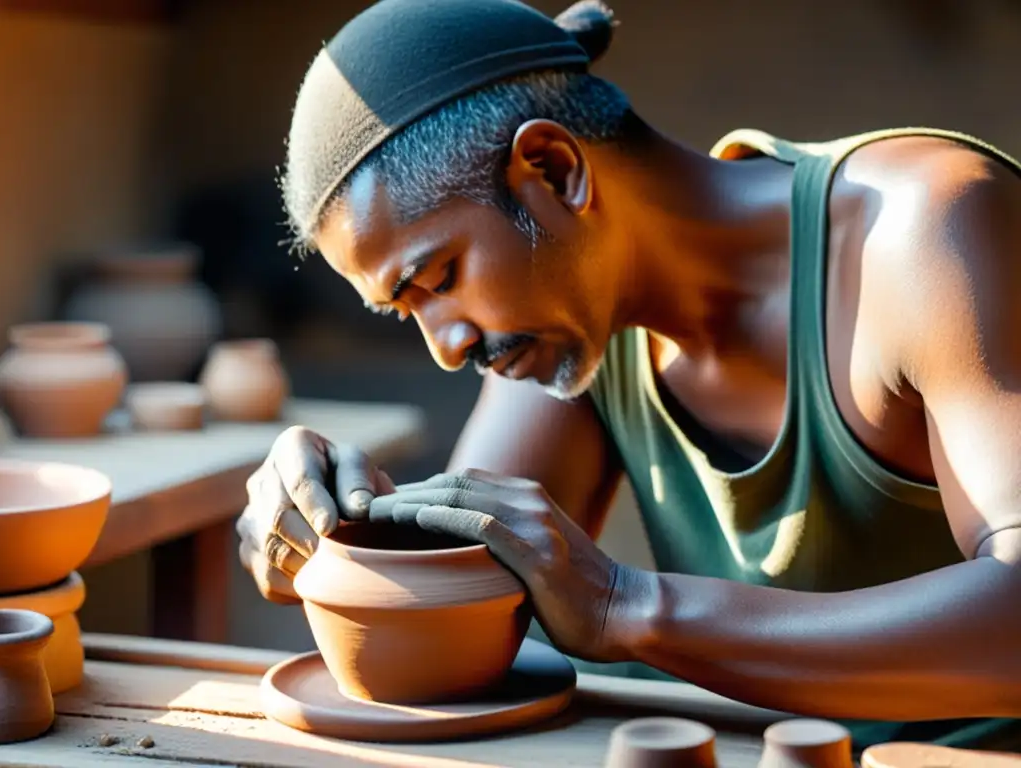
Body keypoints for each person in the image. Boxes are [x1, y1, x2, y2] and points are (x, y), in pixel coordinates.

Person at [237, 0, 1021, 751]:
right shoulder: (567, 328)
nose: (444, 347)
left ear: (553, 169)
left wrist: (628, 605)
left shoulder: (918, 231)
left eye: (437, 279)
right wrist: (338, 523)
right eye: (401, 311)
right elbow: (475, 580)